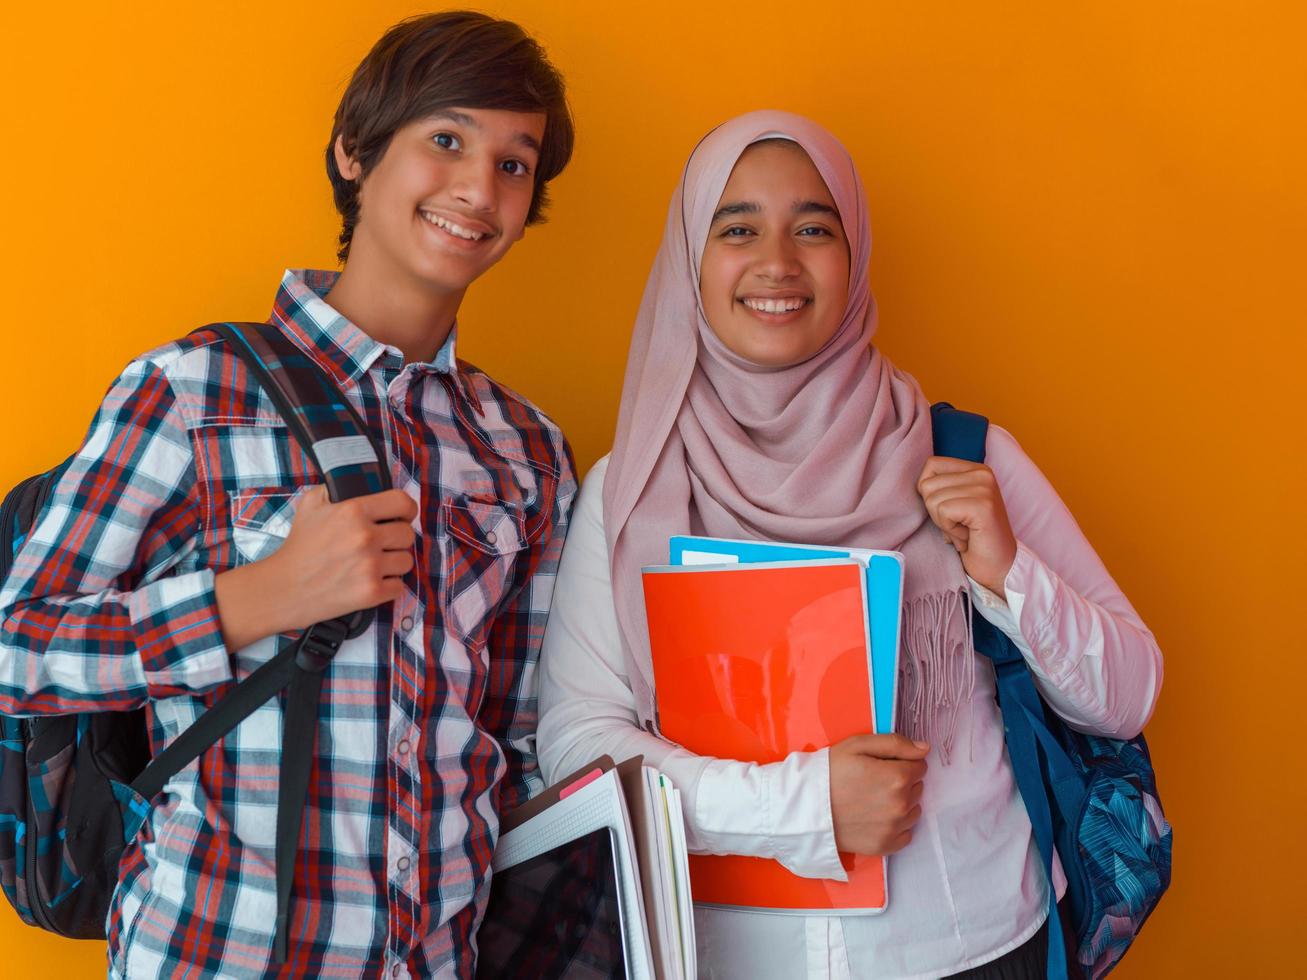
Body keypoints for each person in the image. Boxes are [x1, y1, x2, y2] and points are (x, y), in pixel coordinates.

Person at [0, 11, 576, 977]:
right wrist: (256, 600)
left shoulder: (527, 450)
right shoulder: (192, 391)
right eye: (446, 140)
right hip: (210, 954)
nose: (479, 188)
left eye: (515, 164)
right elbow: (16, 646)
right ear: (354, 153)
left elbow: (518, 745)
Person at [537, 110, 1163, 979]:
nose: (777, 262)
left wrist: (1006, 574)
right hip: (731, 958)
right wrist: (801, 805)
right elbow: (578, 741)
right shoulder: (633, 487)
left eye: (813, 228)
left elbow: (1126, 697)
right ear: (690, 257)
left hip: (976, 944)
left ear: (853, 253)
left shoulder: (964, 457)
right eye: (737, 227)